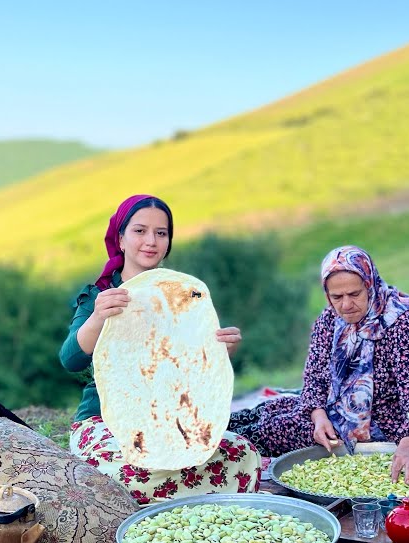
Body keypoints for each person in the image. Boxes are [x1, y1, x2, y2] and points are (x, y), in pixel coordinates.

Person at [59, 194, 260, 503]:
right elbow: (70, 359)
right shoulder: (101, 294)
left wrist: (218, 353)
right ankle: (183, 506)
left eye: (161, 233)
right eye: (140, 231)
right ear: (121, 239)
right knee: (133, 474)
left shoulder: (184, 294)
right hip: (104, 421)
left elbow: (188, 371)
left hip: (172, 419)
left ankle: (192, 512)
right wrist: (99, 316)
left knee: (244, 456)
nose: (151, 241)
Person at [228, 245, 409, 484]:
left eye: (354, 294)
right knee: (268, 410)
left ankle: (210, 443)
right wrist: (318, 416)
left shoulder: (404, 321)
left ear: (370, 285)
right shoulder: (329, 320)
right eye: (337, 297)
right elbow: (314, 378)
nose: (346, 305)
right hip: (333, 412)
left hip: (381, 424)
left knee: (271, 430)